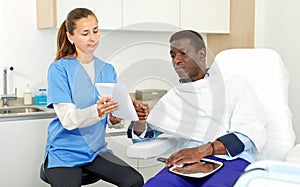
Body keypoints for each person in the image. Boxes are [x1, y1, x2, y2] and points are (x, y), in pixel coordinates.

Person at [128, 30, 267, 187]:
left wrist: (201, 151)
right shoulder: (176, 96)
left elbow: (247, 136)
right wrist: (140, 121)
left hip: (232, 159)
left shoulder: (233, 84)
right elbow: (145, 134)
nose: (176, 61)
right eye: (173, 55)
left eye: (183, 54)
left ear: (201, 54)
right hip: (186, 162)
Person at [42, 8, 144, 187]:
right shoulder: (59, 69)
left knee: (135, 181)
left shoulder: (108, 69)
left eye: (96, 31)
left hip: (96, 152)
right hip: (65, 153)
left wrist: (121, 112)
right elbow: (68, 120)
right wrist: (97, 110)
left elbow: (113, 121)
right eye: (85, 33)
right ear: (71, 36)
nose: (93, 38)